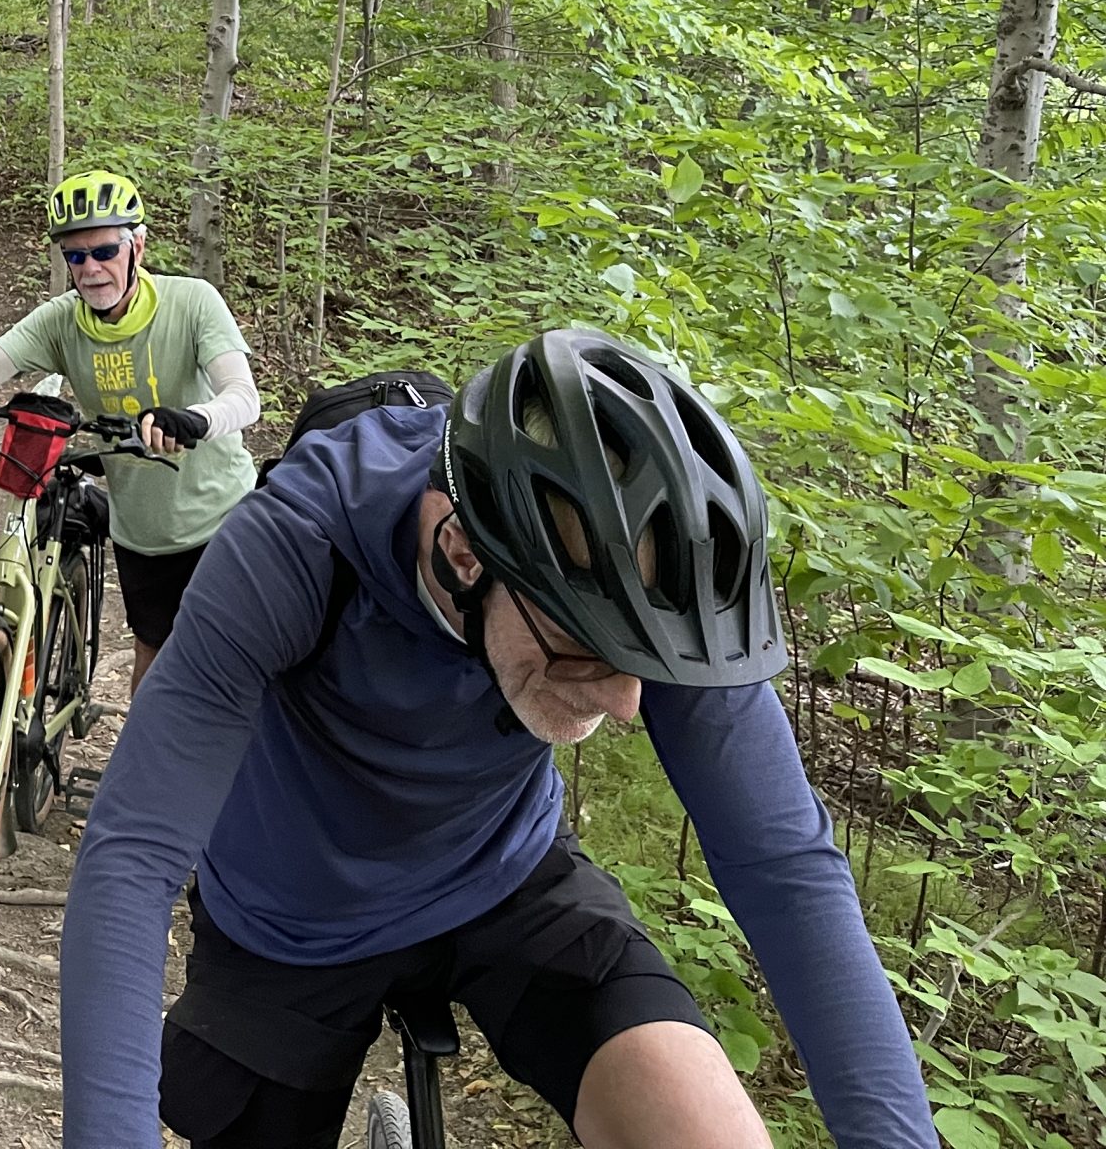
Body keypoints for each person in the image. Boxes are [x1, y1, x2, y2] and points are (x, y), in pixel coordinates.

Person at [58, 327, 935, 1149]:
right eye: (588, 652)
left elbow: (782, 865)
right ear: (463, 555)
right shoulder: (296, 543)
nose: (629, 704)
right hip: (289, 914)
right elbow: (134, 855)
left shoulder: (658, 580)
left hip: (504, 871)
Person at [0, 170, 260, 690]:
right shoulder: (63, 320)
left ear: (137, 246)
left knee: (233, 668)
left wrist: (196, 418)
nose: (91, 269)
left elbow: (244, 397)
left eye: (105, 251)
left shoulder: (192, 302)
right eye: (76, 256)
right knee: (152, 657)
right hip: (143, 533)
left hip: (225, 523)